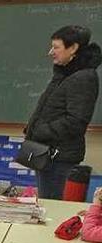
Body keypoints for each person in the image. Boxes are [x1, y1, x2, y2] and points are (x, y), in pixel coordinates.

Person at [26, 25, 102, 200]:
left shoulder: (83, 77)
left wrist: (41, 130)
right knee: (46, 202)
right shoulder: (64, 74)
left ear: (73, 48)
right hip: (46, 155)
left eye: (56, 47)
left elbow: (76, 121)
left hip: (59, 159)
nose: (51, 52)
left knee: (53, 207)